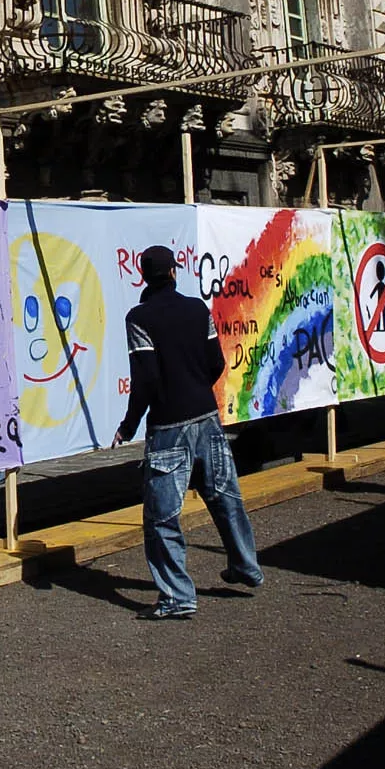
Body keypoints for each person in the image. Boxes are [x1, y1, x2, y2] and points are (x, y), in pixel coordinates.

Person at [113, 244, 263, 619]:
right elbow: (216, 362)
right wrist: (196, 389)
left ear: (143, 276)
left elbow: (145, 378)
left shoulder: (139, 318)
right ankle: (246, 566)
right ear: (175, 273)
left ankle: (178, 596)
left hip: (168, 426)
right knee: (225, 496)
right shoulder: (198, 308)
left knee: (162, 516)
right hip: (206, 416)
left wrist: (128, 424)